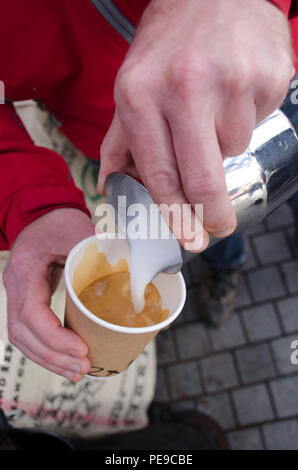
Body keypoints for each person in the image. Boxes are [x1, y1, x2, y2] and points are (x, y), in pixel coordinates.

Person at [1, 0, 297, 383]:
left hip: (258, 88)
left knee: (223, 215)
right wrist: (27, 200)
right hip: (114, 150)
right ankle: (223, 260)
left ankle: (226, 267)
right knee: (196, 229)